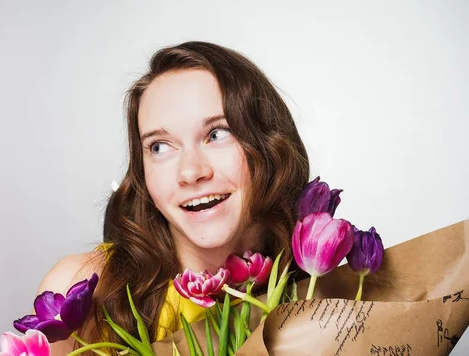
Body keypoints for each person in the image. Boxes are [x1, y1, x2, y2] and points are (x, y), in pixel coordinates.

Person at [37, 41, 309, 355]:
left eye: (217, 134)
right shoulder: (81, 293)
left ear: (269, 145)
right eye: (160, 147)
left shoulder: (323, 298)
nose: (190, 172)